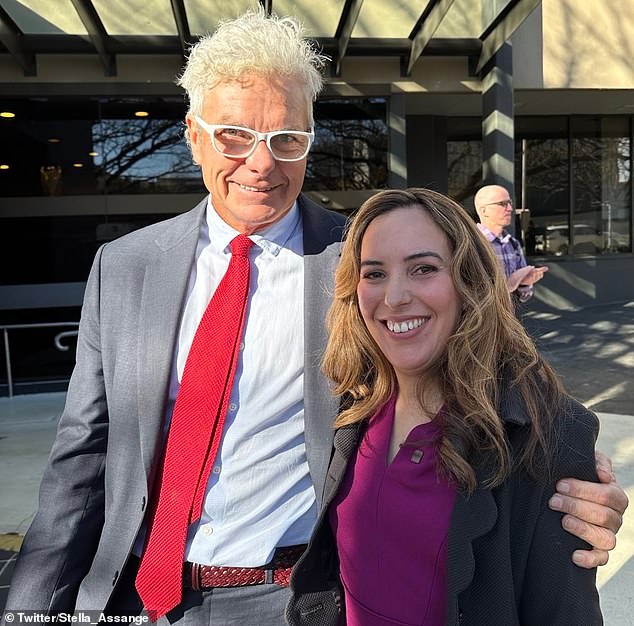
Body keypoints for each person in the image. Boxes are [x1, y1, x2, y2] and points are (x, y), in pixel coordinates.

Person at [2, 11, 627, 626]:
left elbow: (481, 375)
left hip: (293, 598)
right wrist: (31, 608)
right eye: (234, 135)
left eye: (286, 139)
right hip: (132, 594)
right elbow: (81, 455)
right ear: (193, 135)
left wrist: (562, 482)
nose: (261, 163)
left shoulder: (362, 263)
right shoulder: (124, 266)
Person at [287, 188, 606, 625]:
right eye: (374, 274)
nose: (395, 296)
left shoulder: (542, 432)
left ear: (469, 282)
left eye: (423, 269)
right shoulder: (350, 403)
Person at [474, 184, 546, 303]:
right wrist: (510, 284)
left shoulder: (513, 244)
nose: (510, 208)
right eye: (502, 204)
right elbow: (468, 295)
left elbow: (523, 298)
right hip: (480, 320)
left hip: (508, 319)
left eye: (510, 203)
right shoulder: (470, 244)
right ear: (484, 210)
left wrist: (525, 283)